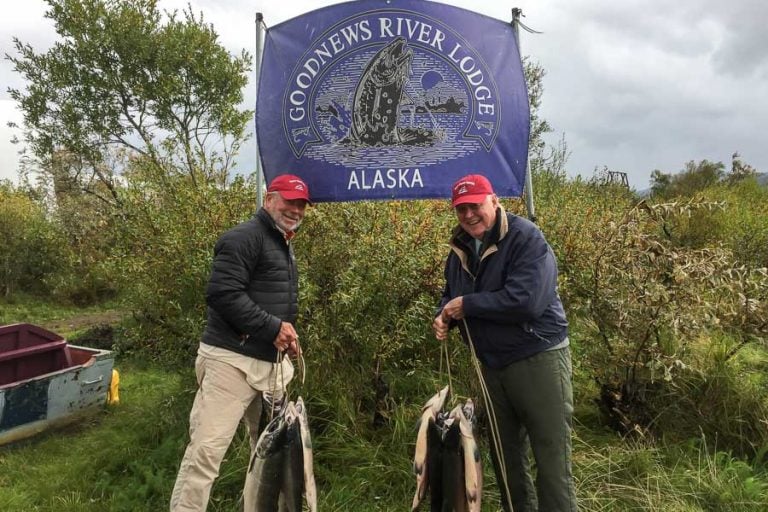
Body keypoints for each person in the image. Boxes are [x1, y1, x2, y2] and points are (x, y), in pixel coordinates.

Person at [432, 174, 577, 512]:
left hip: (537, 358)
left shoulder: (527, 239)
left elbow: (526, 301)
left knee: (551, 459)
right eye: (461, 209)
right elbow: (449, 295)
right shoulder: (460, 249)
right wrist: (444, 316)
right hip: (491, 366)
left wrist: (466, 306)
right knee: (505, 458)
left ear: (494, 201)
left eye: (475, 206)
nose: (469, 215)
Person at [170, 174, 312, 512]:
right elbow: (222, 293)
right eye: (288, 200)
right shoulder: (243, 238)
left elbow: (266, 299)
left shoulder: (282, 241)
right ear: (268, 198)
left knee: (267, 453)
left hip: (269, 365)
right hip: (229, 362)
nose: (295, 209)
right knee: (205, 454)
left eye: (301, 204)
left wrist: (284, 335)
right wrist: (272, 327)